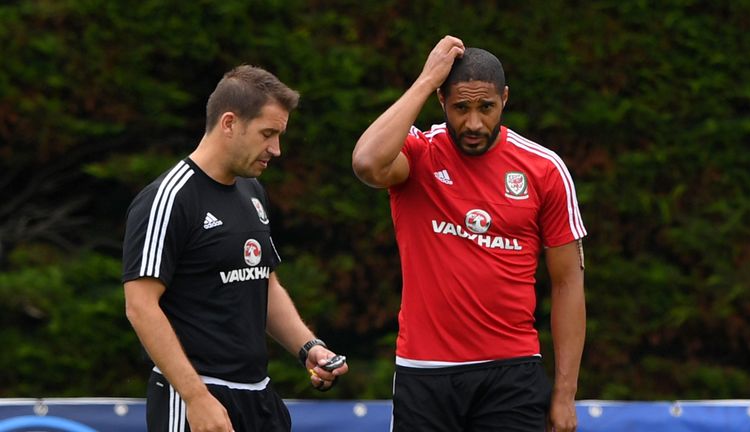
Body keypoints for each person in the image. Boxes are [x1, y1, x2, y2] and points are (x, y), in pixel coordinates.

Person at [352, 36, 586, 432]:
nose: (474, 123)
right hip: (424, 373)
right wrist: (426, 79)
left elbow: (567, 283)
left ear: (504, 99)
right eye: (461, 108)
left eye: (486, 107)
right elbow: (366, 163)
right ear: (442, 100)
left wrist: (565, 394)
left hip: (511, 375)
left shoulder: (544, 169)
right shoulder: (419, 153)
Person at [122, 65, 348, 432]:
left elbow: (262, 280)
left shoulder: (252, 191)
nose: (276, 149)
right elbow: (140, 307)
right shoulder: (169, 199)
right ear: (229, 123)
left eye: (279, 136)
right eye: (267, 134)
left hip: (259, 397)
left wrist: (309, 347)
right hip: (196, 399)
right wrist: (195, 398)